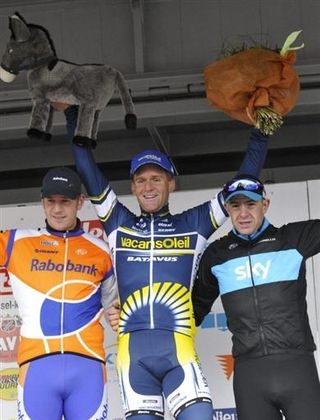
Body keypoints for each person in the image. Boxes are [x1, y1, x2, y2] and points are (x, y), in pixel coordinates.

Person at [66, 105, 269, 420]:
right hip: (133, 360)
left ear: (171, 183)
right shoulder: (117, 222)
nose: (148, 186)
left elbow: (243, 181)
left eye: (156, 179)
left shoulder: (194, 224)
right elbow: (85, 165)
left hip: (179, 353)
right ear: (132, 187)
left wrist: (260, 131)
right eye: (141, 180)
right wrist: (71, 115)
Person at [192, 174, 320, 420]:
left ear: (265, 205)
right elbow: (193, 310)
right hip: (250, 377)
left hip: (298, 368)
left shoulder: (292, 239)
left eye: (250, 204)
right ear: (227, 209)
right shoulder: (217, 254)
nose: (243, 214)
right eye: (236, 206)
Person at [0, 166, 117, 420]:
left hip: (87, 368)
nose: (57, 209)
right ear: (42, 203)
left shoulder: (102, 251)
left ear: (80, 202)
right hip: (37, 366)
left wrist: (119, 316)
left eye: (65, 201)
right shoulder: (16, 241)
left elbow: (115, 308)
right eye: (50, 201)